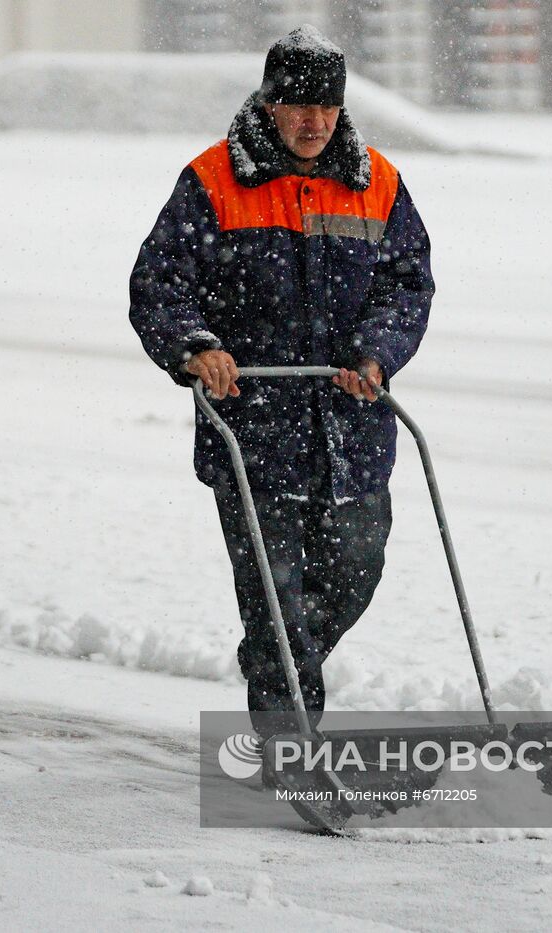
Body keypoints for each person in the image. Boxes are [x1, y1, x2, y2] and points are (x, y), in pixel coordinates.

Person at [128, 25, 434, 730]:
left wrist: (376, 352)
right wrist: (195, 347)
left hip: (350, 428)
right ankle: (289, 741)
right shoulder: (212, 182)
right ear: (269, 105)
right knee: (276, 597)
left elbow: (407, 284)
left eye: (326, 107)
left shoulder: (378, 184)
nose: (313, 122)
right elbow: (159, 283)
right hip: (255, 429)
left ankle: (274, 662)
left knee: (356, 569)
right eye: (298, 106)